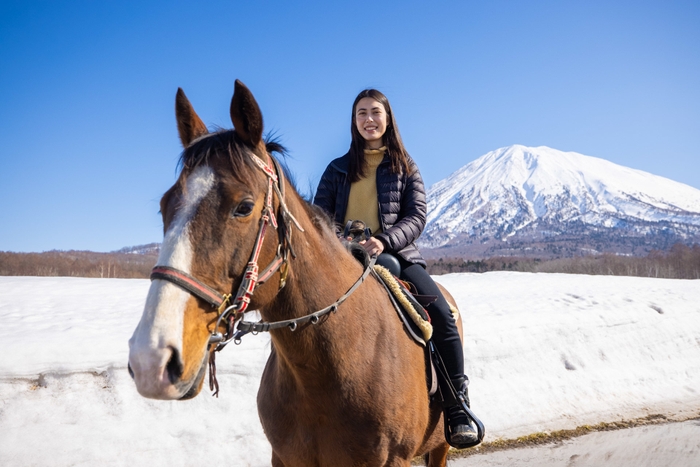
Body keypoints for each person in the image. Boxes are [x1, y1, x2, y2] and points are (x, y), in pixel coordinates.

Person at [313, 89, 478, 446]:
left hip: (398, 258)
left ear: (388, 119)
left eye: (375, 112)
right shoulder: (336, 169)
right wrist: (342, 242)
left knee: (443, 316)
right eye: (361, 114)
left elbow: (416, 216)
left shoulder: (405, 166)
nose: (369, 120)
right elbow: (320, 216)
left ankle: (457, 407)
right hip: (344, 260)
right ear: (353, 121)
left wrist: (385, 241)